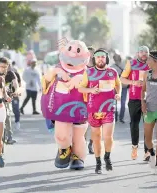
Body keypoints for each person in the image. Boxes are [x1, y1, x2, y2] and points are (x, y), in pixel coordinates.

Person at [41, 39, 90, 170]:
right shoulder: (56, 69)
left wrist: (80, 79)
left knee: (78, 135)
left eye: (78, 50)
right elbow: (45, 82)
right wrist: (55, 72)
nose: (73, 52)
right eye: (70, 49)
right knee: (62, 135)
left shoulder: (88, 73)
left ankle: (77, 157)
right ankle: (64, 149)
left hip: (81, 109)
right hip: (60, 109)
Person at [78, 48, 122, 174]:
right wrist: (91, 90)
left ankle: (107, 157)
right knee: (96, 138)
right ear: (95, 59)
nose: (100, 59)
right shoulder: (89, 72)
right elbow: (81, 88)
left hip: (108, 109)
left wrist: (118, 94)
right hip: (93, 110)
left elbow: (118, 85)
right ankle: (98, 163)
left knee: (108, 137)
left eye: (103, 57)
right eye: (98, 57)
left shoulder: (112, 72)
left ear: (106, 59)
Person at [120, 46, 150, 161]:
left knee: (148, 124)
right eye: (141, 52)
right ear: (137, 53)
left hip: (149, 99)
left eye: (146, 52)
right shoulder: (131, 63)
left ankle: (147, 151)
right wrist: (133, 82)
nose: (144, 54)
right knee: (134, 124)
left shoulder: (151, 64)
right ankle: (134, 147)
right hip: (134, 99)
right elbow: (122, 79)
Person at [0, 57, 19, 144]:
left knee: (8, 116)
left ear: (8, 66)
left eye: (5, 66)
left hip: (7, 98)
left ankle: (9, 137)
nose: (3, 68)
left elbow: (15, 83)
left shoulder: (11, 74)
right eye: (2, 66)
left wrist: (16, 91)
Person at [110, 50, 128, 123]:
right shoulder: (124, 66)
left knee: (116, 103)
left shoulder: (112, 67)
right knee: (121, 103)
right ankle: (120, 118)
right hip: (121, 86)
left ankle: (117, 117)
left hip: (118, 86)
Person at [85, 46, 95, 154]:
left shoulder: (98, 66)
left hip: (95, 97)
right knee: (84, 123)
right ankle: (82, 143)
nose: (90, 55)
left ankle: (91, 144)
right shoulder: (81, 66)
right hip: (83, 97)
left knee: (94, 124)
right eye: (88, 53)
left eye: (92, 53)